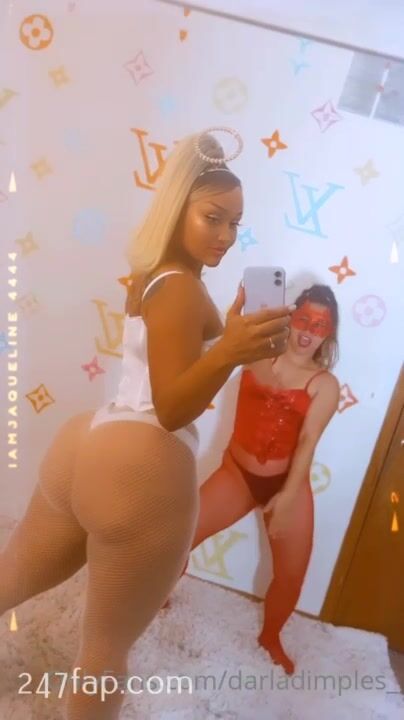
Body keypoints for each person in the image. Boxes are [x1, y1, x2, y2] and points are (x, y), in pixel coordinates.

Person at [0, 127, 294, 720]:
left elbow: (182, 354)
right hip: (143, 465)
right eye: (213, 218)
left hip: (88, 442)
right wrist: (227, 351)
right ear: (178, 207)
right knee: (105, 648)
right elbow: (173, 408)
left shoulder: (157, 274)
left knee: (12, 578)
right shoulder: (182, 289)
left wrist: (233, 339)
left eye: (236, 224)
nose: (226, 236)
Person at [165, 284, 340, 676]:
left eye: (320, 325)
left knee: (292, 574)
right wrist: (235, 318)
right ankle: (157, 597)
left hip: (288, 483)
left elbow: (308, 441)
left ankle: (270, 637)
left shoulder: (324, 384)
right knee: (178, 539)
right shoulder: (258, 353)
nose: (309, 331)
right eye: (303, 320)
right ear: (290, 318)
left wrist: (288, 498)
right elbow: (223, 346)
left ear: (329, 333)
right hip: (236, 475)